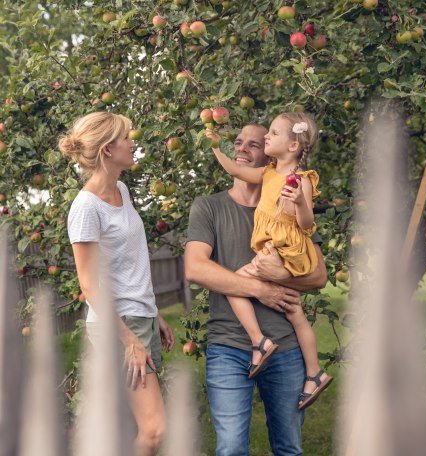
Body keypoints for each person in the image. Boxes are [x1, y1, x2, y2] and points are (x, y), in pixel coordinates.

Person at [184, 122, 328, 456]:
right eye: (238, 142)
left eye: (254, 143)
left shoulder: (289, 206)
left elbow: (318, 275)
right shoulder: (209, 207)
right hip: (229, 346)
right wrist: (261, 289)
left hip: (287, 347)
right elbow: (195, 269)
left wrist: (278, 276)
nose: (243, 148)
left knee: (289, 447)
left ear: (270, 156)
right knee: (231, 447)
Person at [59, 111, 174, 456]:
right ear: (108, 149)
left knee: (133, 426)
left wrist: (155, 314)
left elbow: (129, 264)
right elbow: (89, 283)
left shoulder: (122, 189)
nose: (133, 142)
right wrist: (129, 340)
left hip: (141, 317)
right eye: (127, 137)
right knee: (155, 429)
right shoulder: (85, 208)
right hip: (118, 326)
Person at [210, 111, 332, 410]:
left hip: (282, 250)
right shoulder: (268, 174)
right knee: (294, 311)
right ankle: (315, 373)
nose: (267, 137)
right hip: (277, 250)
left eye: (273, 133)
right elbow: (236, 171)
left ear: (292, 146)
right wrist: (215, 146)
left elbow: (306, 225)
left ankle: (259, 341)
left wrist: (301, 202)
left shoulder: (300, 181)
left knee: (234, 284)